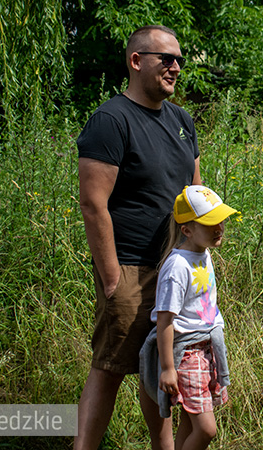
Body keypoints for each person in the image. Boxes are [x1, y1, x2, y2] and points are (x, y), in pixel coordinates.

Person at [75, 25, 201, 450]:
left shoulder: (182, 120)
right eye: (166, 59)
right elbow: (94, 205)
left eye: (180, 59)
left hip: (177, 267)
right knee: (110, 367)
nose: (176, 67)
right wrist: (111, 277)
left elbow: (195, 195)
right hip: (129, 266)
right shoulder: (110, 121)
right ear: (136, 61)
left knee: (159, 365)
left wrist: (199, 256)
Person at [149, 185, 236, 450]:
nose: (219, 227)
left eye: (220, 219)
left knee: (190, 421)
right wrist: (167, 368)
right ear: (187, 230)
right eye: (210, 222)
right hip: (187, 352)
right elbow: (164, 320)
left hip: (206, 348)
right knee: (207, 429)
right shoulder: (177, 266)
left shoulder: (204, 254)